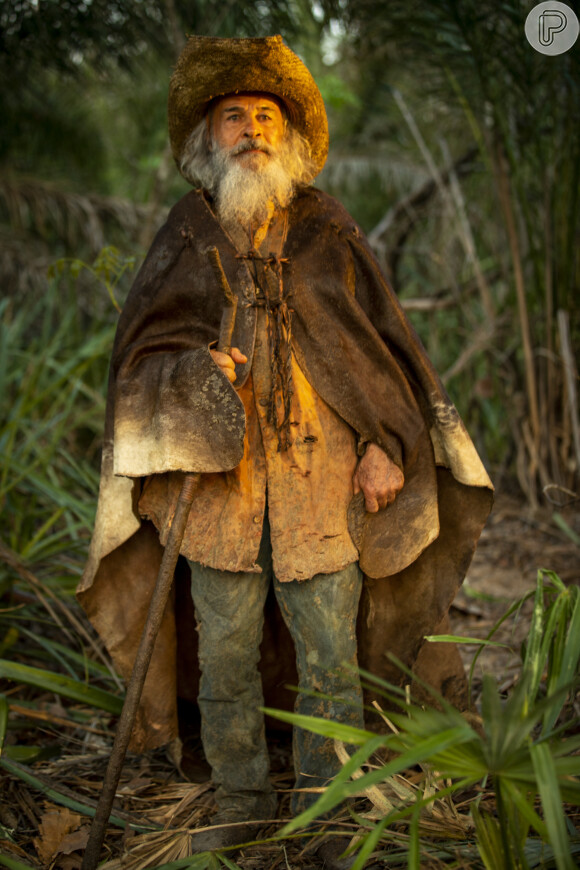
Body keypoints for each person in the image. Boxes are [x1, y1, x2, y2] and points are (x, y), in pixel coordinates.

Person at [78, 35, 493, 868]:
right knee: (225, 652)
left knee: (330, 654)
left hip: (323, 482)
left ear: (289, 135)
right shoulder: (185, 229)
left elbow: (384, 356)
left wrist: (388, 444)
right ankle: (240, 800)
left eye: (265, 115)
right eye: (233, 116)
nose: (251, 129)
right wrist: (195, 374)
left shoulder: (327, 225)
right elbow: (140, 357)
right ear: (209, 138)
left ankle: (329, 810)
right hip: (219, 491)